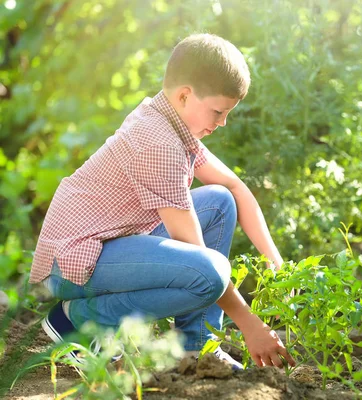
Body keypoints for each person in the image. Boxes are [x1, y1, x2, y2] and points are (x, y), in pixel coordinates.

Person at [28, 33, 296, 371]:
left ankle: (194, 346)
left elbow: (235, 187)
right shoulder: (158, 143)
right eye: (218, 111)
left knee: (219, 202)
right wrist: (249, 323)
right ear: (185, 95)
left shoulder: (172, 122)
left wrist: (278, 264)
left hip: (104, 246)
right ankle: (80, 321)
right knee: (209, 273)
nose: (222, 122)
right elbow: (197, 253)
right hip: (71, 263)